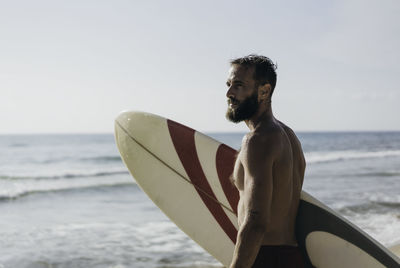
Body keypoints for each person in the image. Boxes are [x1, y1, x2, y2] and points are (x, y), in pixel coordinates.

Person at [225, 55, 306, 268]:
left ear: (264, 91)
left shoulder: (258, 140)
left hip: (266, 258)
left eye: (239, 85)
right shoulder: (289, 137)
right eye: (229, 85)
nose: (229, 93)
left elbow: (255, 221)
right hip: (292, 256)